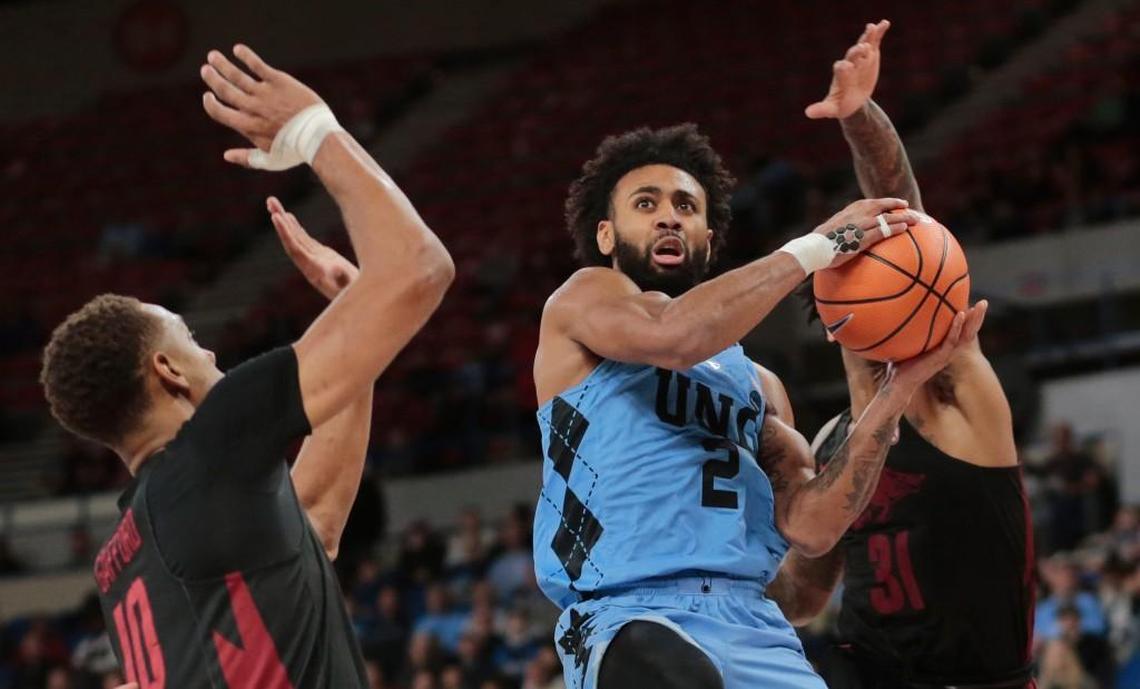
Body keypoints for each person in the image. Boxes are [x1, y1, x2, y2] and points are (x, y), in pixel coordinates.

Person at [530, 30, 987, 688]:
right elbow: (675, 337)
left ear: (709, 240)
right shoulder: (585, 301)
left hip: (754, 626)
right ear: (606, 234)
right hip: (633, 617)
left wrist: (891, 397)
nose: (667, 218)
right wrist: (817, 246)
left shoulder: (759, 386)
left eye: (686, 207)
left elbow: (811, 532)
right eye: (646, 204)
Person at [39, 44, 454, 688]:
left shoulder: (120, 561)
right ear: (168, 372)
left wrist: (353, 317)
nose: (209, 353)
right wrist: (316, 130)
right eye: (191, 339)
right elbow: (419, 270)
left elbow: (312, 524)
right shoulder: (213, 445)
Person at [766, 20, 1036, 689]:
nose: (882, 257)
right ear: (830, 314)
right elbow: (803, 596)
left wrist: (858, 117)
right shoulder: (830, 441)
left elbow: (907, 216)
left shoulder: (951, 392)